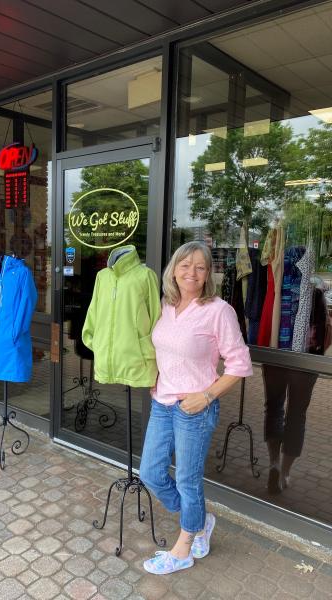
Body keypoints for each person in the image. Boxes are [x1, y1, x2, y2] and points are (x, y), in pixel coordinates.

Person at [140, 241, 253, 575]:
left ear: (208, 275)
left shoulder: (218, 311)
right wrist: (155, 376)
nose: (192, 272)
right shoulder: (165, 305)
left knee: (188, 481)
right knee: (151, 473)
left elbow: (239, 363)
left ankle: (184, 547)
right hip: (162, 402)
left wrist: (206, 396)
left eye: (200, 267)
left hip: (195, 409)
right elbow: (165, 347)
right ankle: (199, 519)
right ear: (174, 269)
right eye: (185, 265)